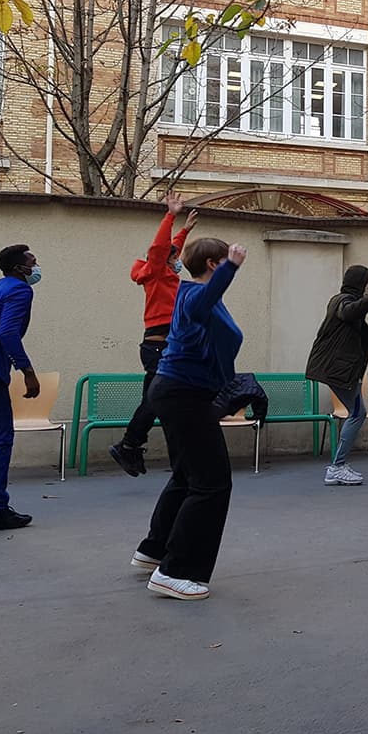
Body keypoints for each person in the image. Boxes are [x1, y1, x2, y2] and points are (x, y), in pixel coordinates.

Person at [133, 238, 247, 600]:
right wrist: (232, 266)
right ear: (213, 265)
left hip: (179, 393)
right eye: (222, 260)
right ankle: (176, 571)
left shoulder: (194, 296)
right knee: (212, 484)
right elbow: (204, 302)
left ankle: (154, 551)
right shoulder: (193, 296)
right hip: (184, 396)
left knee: (187, 476)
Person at [110, 193, 198, 476]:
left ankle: (132, 446)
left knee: (157, 398)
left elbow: (171, 247)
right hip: (158, 346)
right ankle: (129, 444)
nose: (177, 259)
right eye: (174, 257)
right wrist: (171, 216)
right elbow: (161, 248)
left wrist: (185, 230)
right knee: (156, 399)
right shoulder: (157, 272)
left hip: (162, 344)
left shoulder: (168, 276)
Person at [305, 265, 368, 485]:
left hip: (342, 371)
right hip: (336, 370)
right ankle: (337, 467)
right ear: (360, 285)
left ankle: (339, 465)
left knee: (357, 413)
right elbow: (351, 311)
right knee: (357, 413)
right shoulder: (342, 301)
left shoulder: (344, 301)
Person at [0, 245, 41, 531]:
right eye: (33, 263)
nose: (36, 268)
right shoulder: (20, 291)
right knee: (0, 439)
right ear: (19, 268)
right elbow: (8, 333)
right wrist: (28, 372)